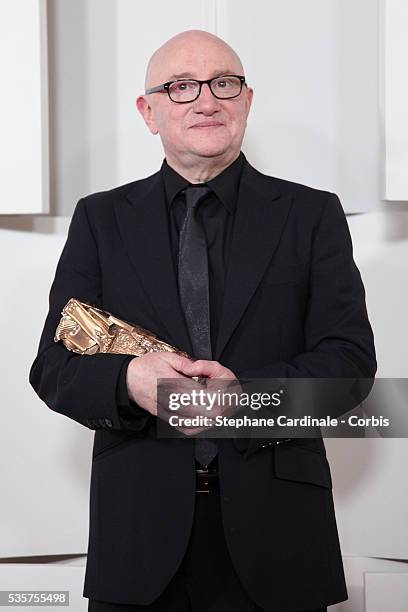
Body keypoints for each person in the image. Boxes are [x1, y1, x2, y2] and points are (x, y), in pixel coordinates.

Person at [29, 29, 376, 612]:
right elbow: (53, 367)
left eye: (225, 83)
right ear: (149, 111)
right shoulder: (100, 219)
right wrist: (128, 382)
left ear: (246, 101)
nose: (206, 100)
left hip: (280, 536)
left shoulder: (311, 214)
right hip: (137, 536)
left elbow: (351, 365)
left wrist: (248, 399)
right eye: (181, 86)